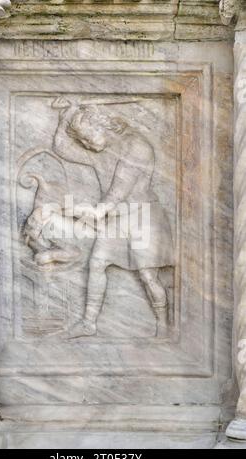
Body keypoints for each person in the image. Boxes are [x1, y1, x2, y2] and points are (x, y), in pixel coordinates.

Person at [52, 97, 174, 338]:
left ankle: (163, 327)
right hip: (116, 218)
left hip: (142, 216)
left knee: (148, 275)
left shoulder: (136, 146)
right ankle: (88, 324)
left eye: (87, 137)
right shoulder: (98, 149)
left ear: (100, 124)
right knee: (97, 263)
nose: (85, 144)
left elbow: (119, 188)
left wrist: (92, 212)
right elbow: (61, 148)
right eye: (82, 140)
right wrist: (67, 114)